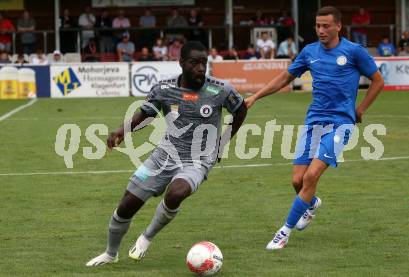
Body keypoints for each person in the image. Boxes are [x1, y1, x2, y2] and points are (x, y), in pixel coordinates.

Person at [85, 41, 247, 266]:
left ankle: (146, 237)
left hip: (198, 160)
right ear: (181, 63)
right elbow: (146, 114)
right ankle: (110, 254)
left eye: (204, 63)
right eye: (194, 63)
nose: (201, 68)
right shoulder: (164, 89)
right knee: (126, 205)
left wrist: (222, 143)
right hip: (163, 156)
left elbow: (241, 110)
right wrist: (121, 132)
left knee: (175, 193)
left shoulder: (220, 90)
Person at [245, 6, 384, 250]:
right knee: (298, 181)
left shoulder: (353, 52)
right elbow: (285, 78)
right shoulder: (310, 52)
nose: (321, 30)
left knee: (311, 176)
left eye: (326, 25)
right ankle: (311, 204)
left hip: (341, 124)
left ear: (338, 26)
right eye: (318, 26)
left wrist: (360, 110)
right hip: (314, 122)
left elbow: (378, 80)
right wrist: (254, 97)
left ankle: (283, 232)